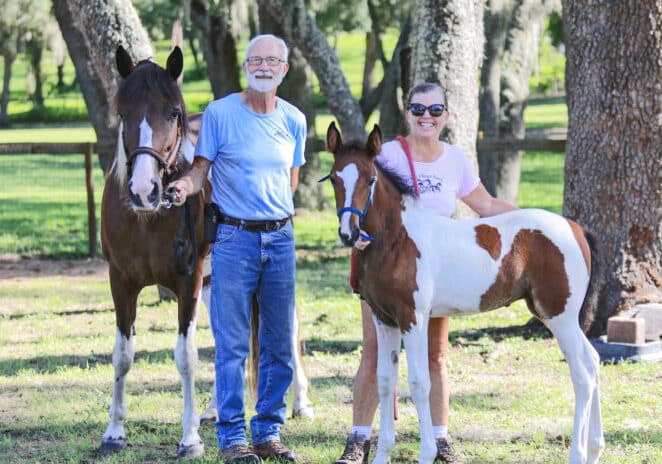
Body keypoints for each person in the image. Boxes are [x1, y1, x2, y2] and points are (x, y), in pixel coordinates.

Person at [335, 82, 518, 464]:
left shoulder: (454, 159)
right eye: (419, 109)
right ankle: (359, 439)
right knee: (374, 352)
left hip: (436, 268)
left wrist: (531, 221)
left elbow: (483, 205)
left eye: (435, 110)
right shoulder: (386, 155)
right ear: (407, 113)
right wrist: (358, 237)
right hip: (384, 270)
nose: (426, 117)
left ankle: (439, 439)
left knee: (435, 356)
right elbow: (357, 198)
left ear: (446, 116)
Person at [168, 34, 306, 464]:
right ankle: (232, 438)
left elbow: (292, 180)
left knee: (280, 342)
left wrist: (275, 214)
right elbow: (200, 170)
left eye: (272, 61)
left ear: (284, 70)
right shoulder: (220, 113)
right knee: (232, 345)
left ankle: (267, 431)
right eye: (255, 60)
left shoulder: (295, 119)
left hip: (281, 240)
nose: (263, 67)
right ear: (246, 66)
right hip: (233, 239)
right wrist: (181, 187)